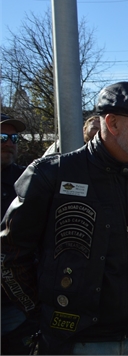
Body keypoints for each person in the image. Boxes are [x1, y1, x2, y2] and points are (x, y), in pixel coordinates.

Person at [0, 81, 128, 355]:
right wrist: (43, 313)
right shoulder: (51, 175)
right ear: (112, 123)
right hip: (79, 340)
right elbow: (10, 254)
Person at [1, 114, 38, 355]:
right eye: (2, 137)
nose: (10, 143)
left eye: (14, 137)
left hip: (16, 298)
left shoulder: (28, 179)